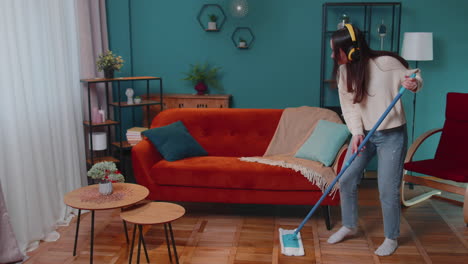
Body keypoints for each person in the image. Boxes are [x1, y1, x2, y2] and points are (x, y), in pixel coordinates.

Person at [327, 24, 422, 256]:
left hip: (392, 135)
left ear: (350, 50)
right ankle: (349, 225)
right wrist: (357, 132)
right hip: (364, 134)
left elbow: (414, 76)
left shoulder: (387, 64)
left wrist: (413, 84)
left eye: (335, 51)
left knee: (386, 189)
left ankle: (391, 237)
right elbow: (348, 106)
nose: (332, 55)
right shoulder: (344, 71)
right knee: (347, 179)